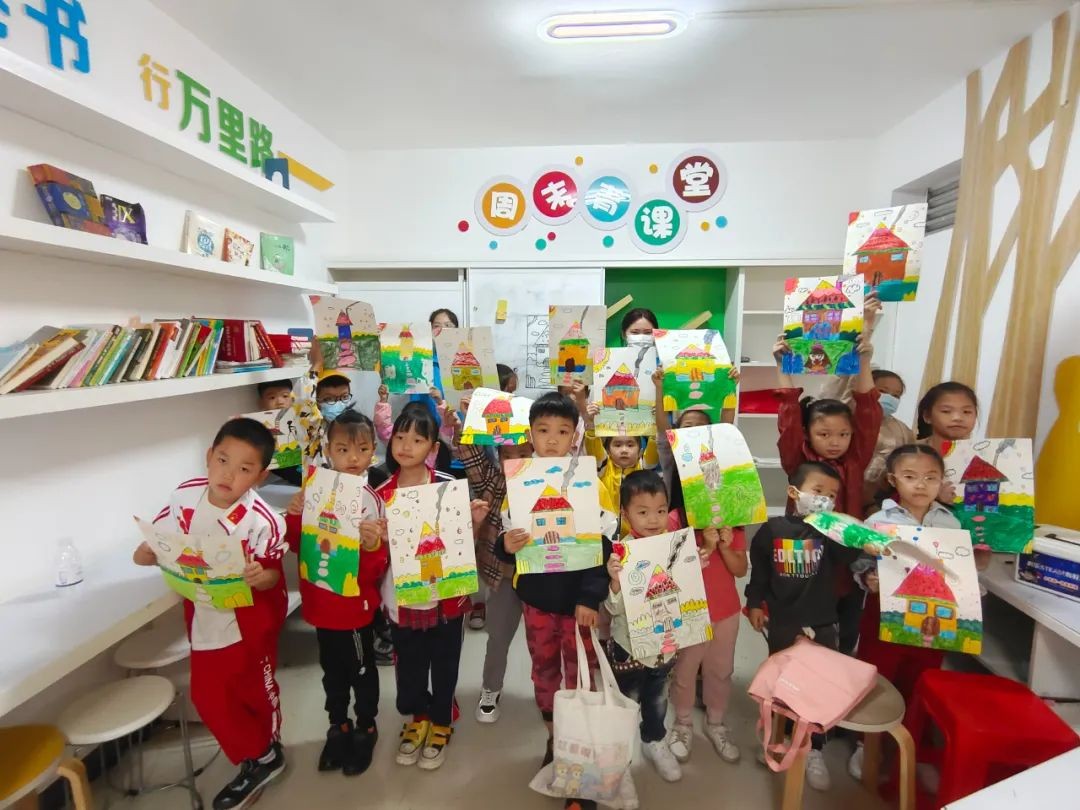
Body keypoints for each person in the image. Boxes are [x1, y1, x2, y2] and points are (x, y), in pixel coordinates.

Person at [133, 418, 287, 810]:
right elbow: (160, 543)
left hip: (246, 622)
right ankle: (260, 754)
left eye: (244, 468)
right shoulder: (185, 496)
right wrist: (146, 554)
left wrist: (262, 576)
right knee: (208, 695)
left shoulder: (263, 520)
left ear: (260, 476)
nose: (228, 475)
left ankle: (265, 753)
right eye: (222, 460)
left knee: (252, 691)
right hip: (204, 614)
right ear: (209, 456)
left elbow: (273, 574)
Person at [495, 392, 616, 810]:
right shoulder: (519, 483)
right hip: (537, 601)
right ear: (530, 434)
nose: (552, 439)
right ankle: (554, 739)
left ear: (575, 436)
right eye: (543, 430)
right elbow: (507, 540)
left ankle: (581, 751)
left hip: (580, 605)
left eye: (563, 431)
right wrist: (505, 545)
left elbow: (604, 545)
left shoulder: (590, 483)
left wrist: (590, 596)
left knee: (581, 674)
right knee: (544, 670)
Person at [743, 461, 880, 793]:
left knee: (819, 687)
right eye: (818, 491)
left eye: (831, 495)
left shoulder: (829, 534)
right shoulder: (772, 530)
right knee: (782, 683)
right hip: (782, 621)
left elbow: (850, 556)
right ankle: (778, 735)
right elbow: (759, 571)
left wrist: (858, 537)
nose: (825, 499)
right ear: (794, 492)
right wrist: (753, 603)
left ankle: (815, 748)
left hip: (822, 621)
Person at [375, 403, 489, 771]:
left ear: (433, 447)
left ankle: (441, 720)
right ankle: (417, 716)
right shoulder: (382, 493)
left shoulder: (446, 487)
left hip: (446, 598)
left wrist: (474, 522)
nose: (406, 445)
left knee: (444, 663)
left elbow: (463, 545)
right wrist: (377, 539)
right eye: (400, 437)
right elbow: (374, 557)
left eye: (417, 439)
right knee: (408, 664)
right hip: (402, 598)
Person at [846, 444, 961, 781]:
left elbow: (960, 570)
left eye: (931, 478)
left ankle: (908, 744)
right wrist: (869, 578)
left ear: (941, 481)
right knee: (877, 677)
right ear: (893, 480)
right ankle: (866, 744)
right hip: (885, 615)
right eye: (911, 477)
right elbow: (861, 563)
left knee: (921, 680)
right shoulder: (879, 521)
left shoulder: (950, 522)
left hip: (933, 620)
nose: (921, 485)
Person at [283, 410, 389, 777]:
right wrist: (294, 514)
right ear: (328, 450)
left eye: (362, 449)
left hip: (354, 608)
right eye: (343, 449)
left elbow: (377, 567)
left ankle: (366, 726)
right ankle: (338, 725)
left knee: (361, 670)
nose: (353, 457)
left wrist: (372, 545)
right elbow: (297, 545)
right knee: (332, 674)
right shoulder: (315, 490)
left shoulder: (371, 500)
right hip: (321, 604)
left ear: (373, 450)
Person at [773, 310, 882, 656]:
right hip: (802, 559)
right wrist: (783, 366)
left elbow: (868, 411)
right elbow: (789, 414)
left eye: (843, 434)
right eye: (824, 434)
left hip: (845, 562)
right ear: (808, 433)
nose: (835, 442)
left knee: (843, 634)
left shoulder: (855, 460)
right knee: (797, 636)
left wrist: (864, 361)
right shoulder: (798, 460)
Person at [445, 392, 533, 723]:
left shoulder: (550, 480)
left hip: (543, 574)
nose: (517, 461)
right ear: (499, 455)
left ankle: (550, 691)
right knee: (498, 636)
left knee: (545, 639)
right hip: (504, 574)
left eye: (525, 453)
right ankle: (490, 687)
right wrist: (467, 422)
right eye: (509, 455)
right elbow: (471, 456)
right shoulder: (493, 481)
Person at [602, 471, 687, 781]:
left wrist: (693, 567)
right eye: (643, 512)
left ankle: (654, 739)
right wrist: (615, 582)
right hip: (628, 647)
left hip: (665, 645)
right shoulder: (620, 554)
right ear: (626, 515)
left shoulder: (675, 547)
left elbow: (685, 594)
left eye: (661, 510)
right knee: (626, 702)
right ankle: (620, 755)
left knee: (657, 698)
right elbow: (612, 609)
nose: (653, 519)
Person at [820, 367, 915, 509]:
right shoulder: (847, 420)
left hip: (878, 500)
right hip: (837, 492)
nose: (890, 398)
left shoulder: (903, 430)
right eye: (882, 391)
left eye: (896, 396)